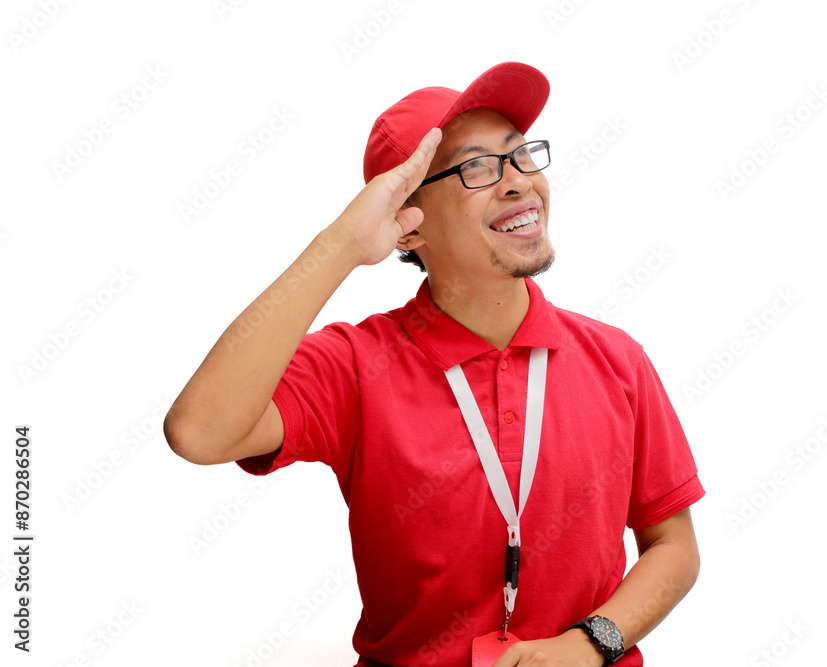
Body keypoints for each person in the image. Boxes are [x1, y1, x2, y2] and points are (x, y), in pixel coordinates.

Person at [165, 62, 705, 667]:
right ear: (407, 225)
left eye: (521, 155)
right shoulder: (355, 367)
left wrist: (589, 644)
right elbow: (199, 431)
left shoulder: (617, 359)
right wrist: (343, 244)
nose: (518, 183)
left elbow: (673, 544)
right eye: (477, 168)